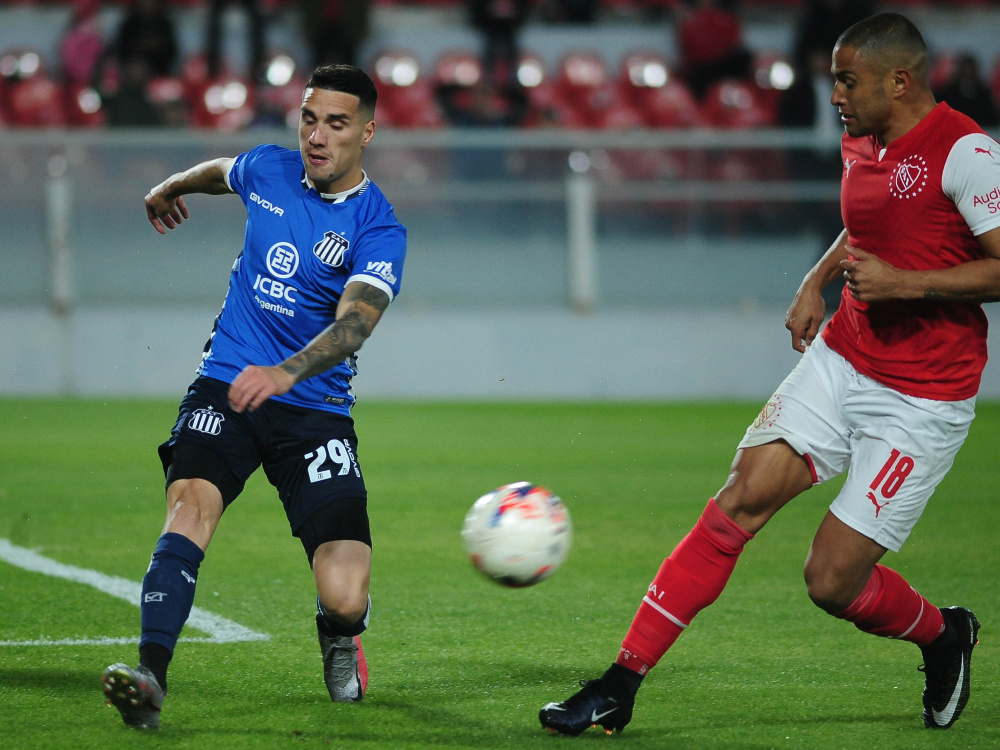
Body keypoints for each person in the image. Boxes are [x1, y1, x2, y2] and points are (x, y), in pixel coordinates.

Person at [539, 12, 1000, 736]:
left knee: (831, 581)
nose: (835, 95)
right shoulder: (862, 138)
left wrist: (907, 285)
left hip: (921, 399)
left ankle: (944, 634)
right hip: (843, 359)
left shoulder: (967, 152)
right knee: (739, 499)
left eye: (847, 80)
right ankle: (621, 682)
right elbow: (873, 223)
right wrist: (816, 280)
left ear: (898, 80)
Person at [101, 64, 406, 729]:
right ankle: (150, 677)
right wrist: (171, 186)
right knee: (189, 508)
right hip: (228, 383)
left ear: (366, 132)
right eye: (309, 119)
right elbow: (222, 172)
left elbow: (356, 324)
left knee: (347, 596)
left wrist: (286, 373)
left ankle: (338, 633)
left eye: (336, 123)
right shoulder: (269, 168)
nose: (317, 137)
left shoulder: (379, 228)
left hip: (315, 408)